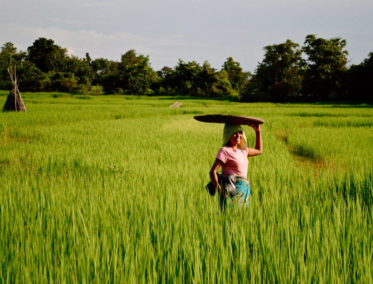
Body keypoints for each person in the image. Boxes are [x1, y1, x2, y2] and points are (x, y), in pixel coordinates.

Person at [209, 123, 262, 210]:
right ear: (228, 133)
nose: (238, 135)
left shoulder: (243, 151)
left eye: (240, 132)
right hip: (231, 188)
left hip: (243, 189)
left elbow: (259, 150)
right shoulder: (225, 151)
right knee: (229, 216)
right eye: (235, 133)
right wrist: (219, 190)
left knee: (241, 218)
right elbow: (213, 172)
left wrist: (258, 131)